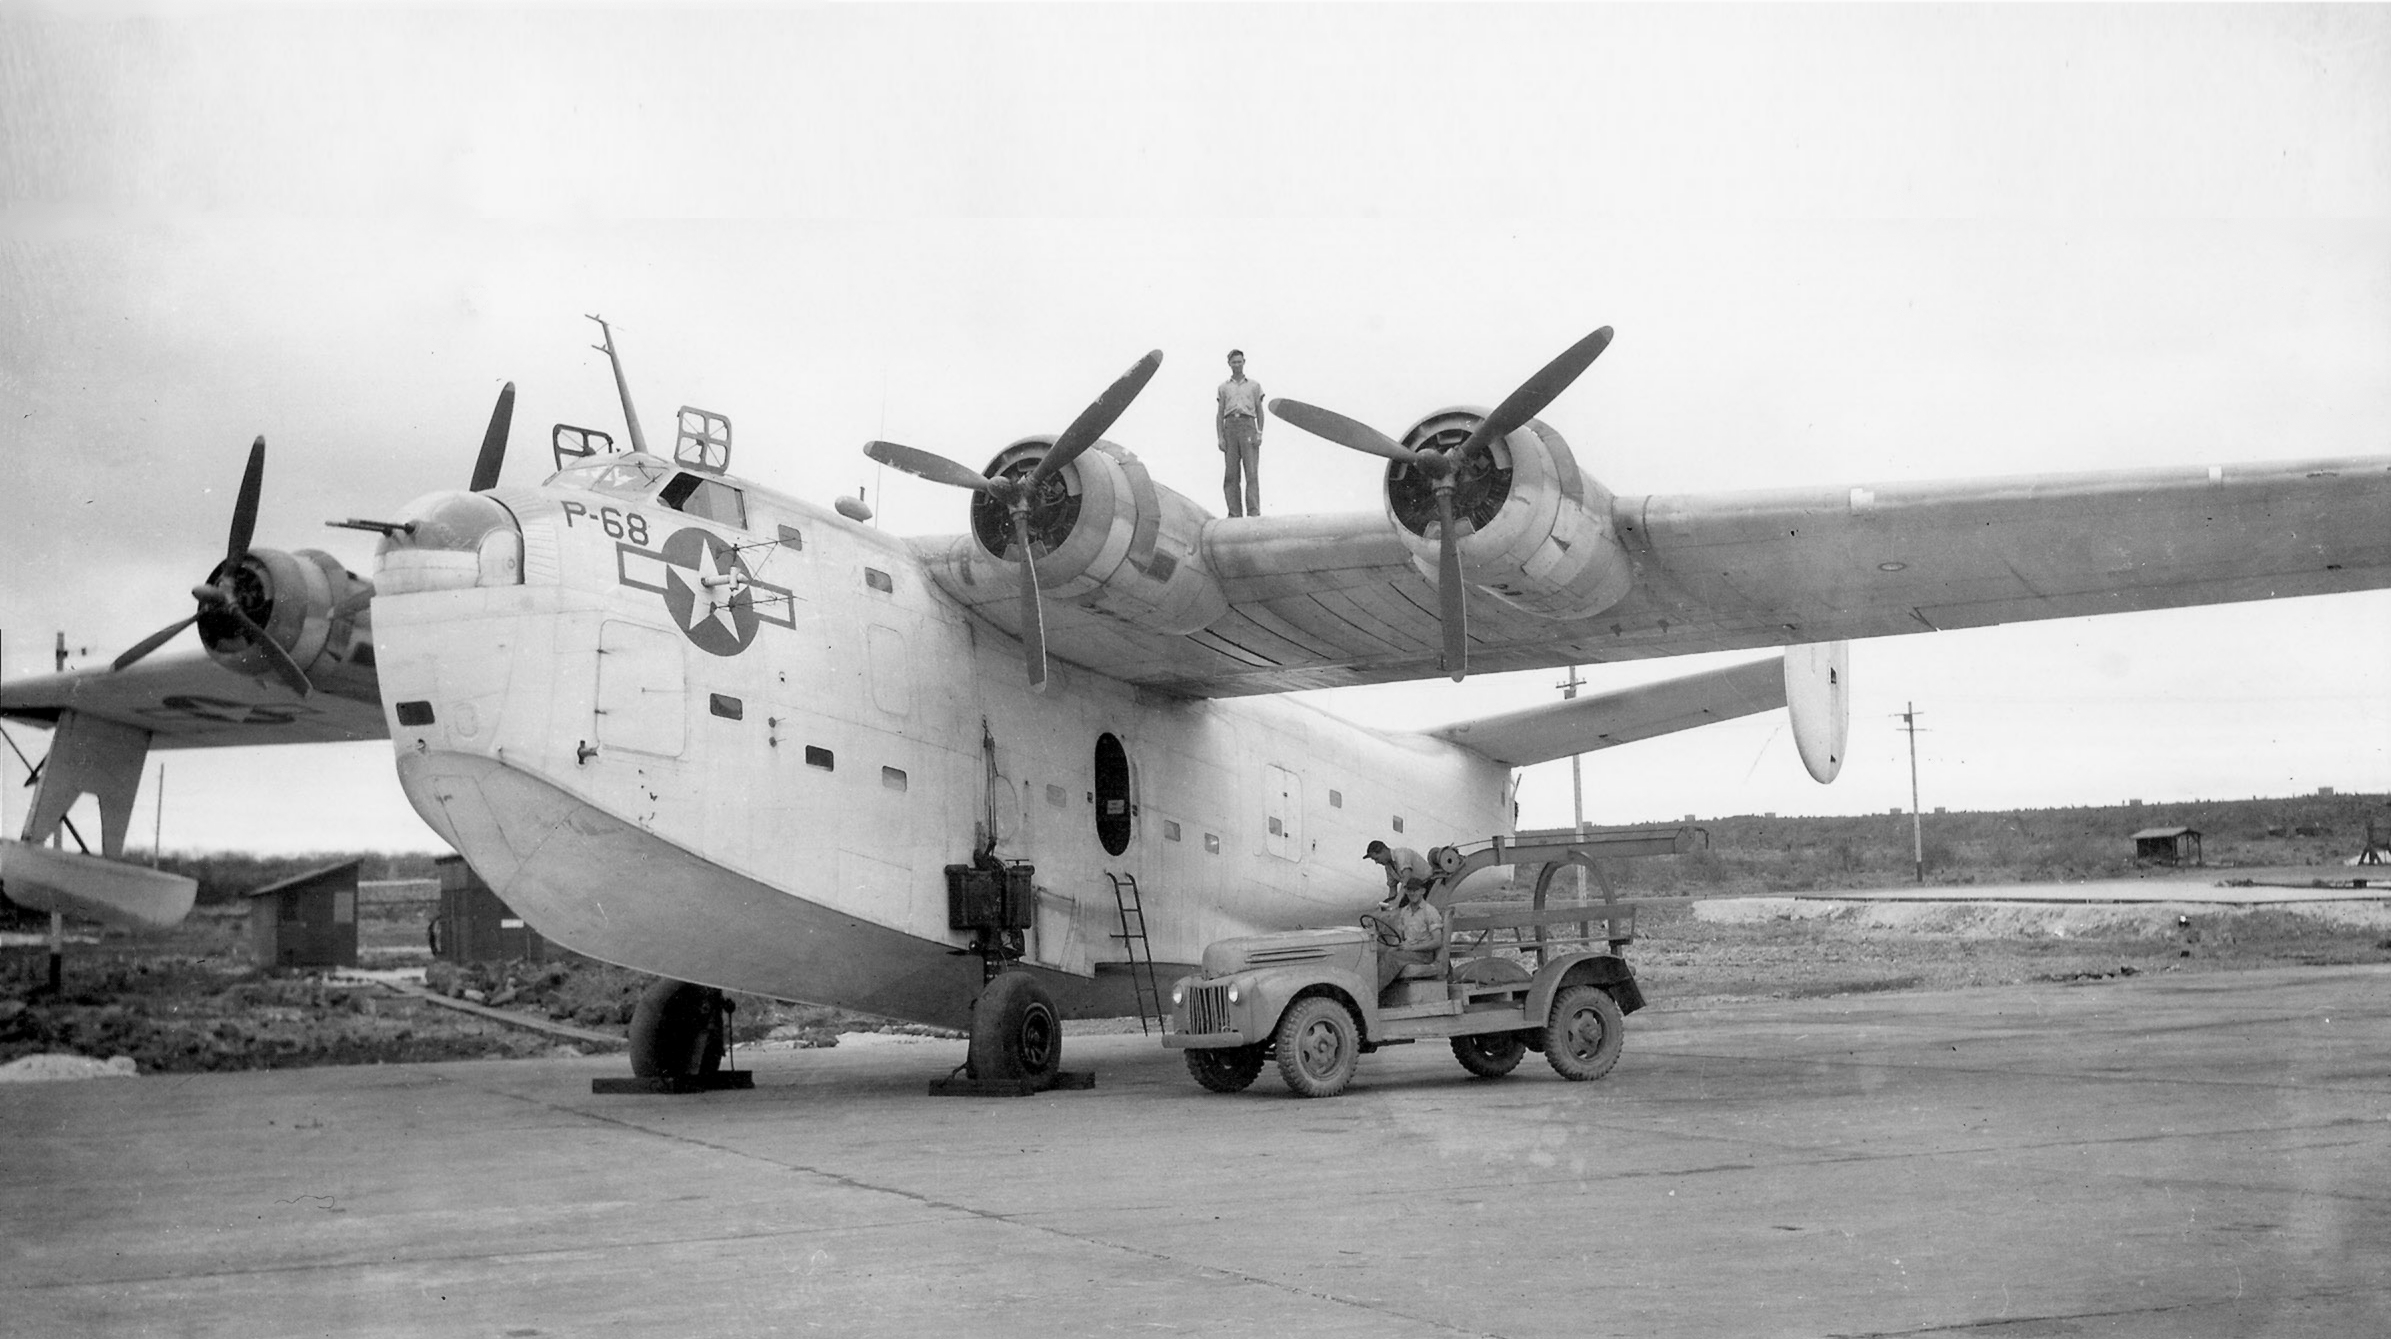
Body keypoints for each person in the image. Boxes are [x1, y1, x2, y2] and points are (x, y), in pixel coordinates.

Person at [1373, 878, 1446, 996]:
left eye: (1415, 890)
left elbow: (1437, 942)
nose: (1412, 893)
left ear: (1422, 891)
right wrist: (1390, 949)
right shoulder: (1404, 912)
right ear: (1406, 891)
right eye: (1409, 890)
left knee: (1391, 958)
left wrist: (1412, 948)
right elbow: (1399, 938)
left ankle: (1373, 994)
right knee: (1378, 954)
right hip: (1407, 951)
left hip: (1423, 954)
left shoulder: (1430, 911)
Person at [1215, 348, 1264, 517]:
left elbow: (1259, 411)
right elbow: (1220, 414)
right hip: (1230, 427)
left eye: (1239, 361)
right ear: (1229, 364)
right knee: (1231, 473)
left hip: (1248, 425)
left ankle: (1253, 512)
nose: (1237, 364)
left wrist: (1259, 432)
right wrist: (1220, 437)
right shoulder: (1223, 387)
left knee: (1251, 472)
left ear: (1244, 362)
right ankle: (1234, 513)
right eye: (1233, 362)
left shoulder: (1254, 385)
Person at [1364, 839, 1432, 908]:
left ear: (1384, 851)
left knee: (1404, 906)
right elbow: (1392, 890)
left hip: (1429, 884)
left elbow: (1407, 879)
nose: (1376, 862)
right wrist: (1389, 904)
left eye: (1377, 858)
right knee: (1386, 905)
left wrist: (1397, 901)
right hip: (1414, 889)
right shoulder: (1388, 867)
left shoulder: (1401, 854)